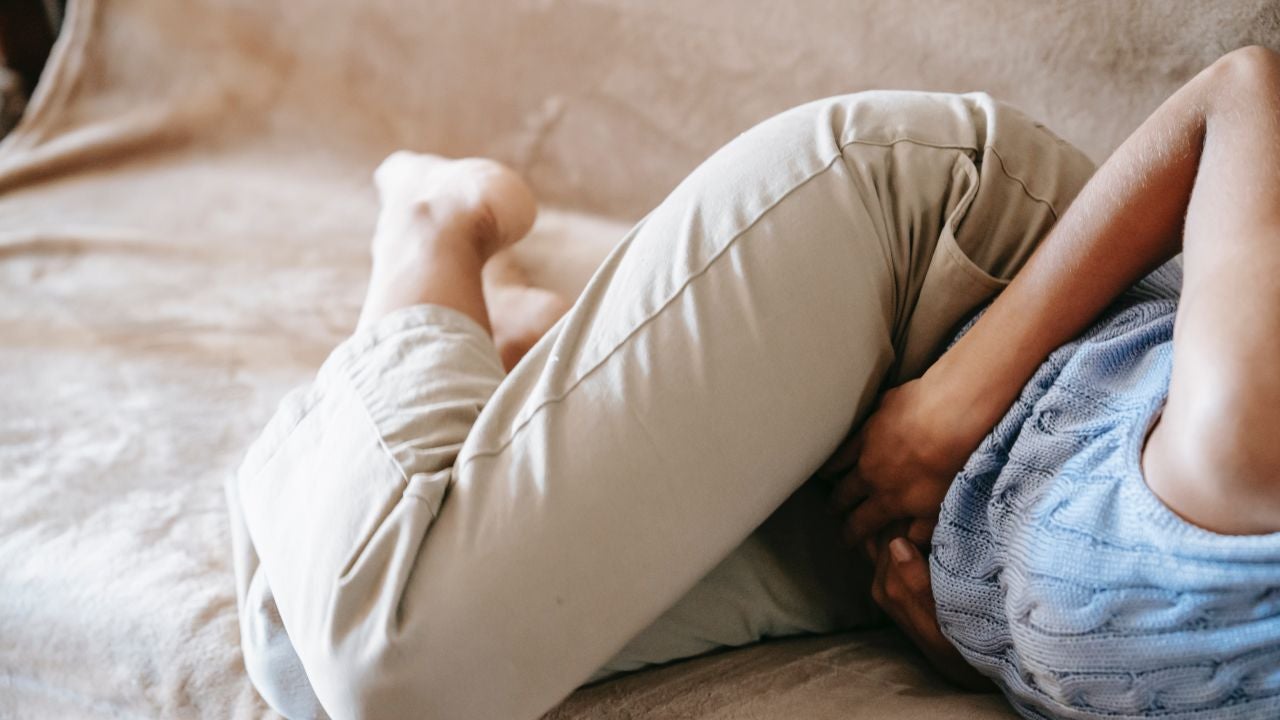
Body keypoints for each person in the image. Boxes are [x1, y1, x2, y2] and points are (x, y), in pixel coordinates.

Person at [226, 46, 1280, 720]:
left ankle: (528, 343)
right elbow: (1241, 94)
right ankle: (429, 225)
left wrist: (981, 650)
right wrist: (956, 395)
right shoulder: (1248, 450)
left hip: (910, 530)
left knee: (300, 661)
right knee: (391, 658)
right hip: (938, 282)